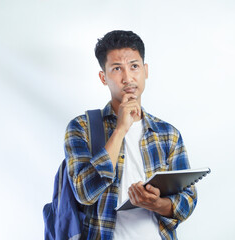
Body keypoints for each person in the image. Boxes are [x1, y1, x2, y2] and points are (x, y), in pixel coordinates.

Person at [64, 30, 197, 240]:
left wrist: (157, 204)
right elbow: (84, 193)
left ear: (145, 70)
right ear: (103, 77)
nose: (127, 78)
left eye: (134, 66)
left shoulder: (168, 134)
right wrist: (120, 130)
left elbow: (188, 200)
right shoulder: (81, 128)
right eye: (117, 68)